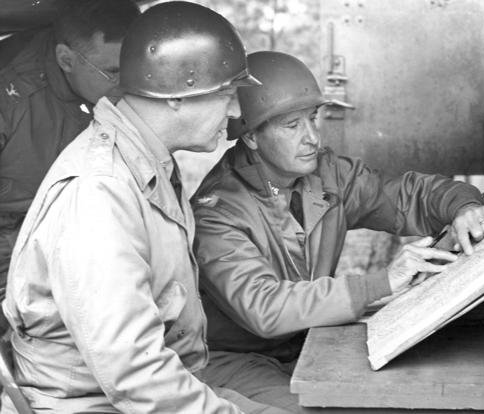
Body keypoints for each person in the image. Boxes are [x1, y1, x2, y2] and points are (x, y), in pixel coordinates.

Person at [1, 3, 288, 413]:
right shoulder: (101, 194)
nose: (237, 111)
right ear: (174, 96)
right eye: (226, 95)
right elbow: (135, 374)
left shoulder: (144, 161)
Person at [191, 51, 484, 411]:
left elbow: (402, 196)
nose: (312, 138)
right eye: (292, 126)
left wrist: (462, 205)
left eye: (312, 119)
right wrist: (380, 283)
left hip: (309, 340)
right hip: (235, 359)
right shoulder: (217, 211)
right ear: (252, 137)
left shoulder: (326, 174)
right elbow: (265, 308)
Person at [0, 0, 140, 306]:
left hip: (92, 218)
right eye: (113, 72)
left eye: (134, 69)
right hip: (12, 230)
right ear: (66, 59)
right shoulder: (9, 94)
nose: (127, 85)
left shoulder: (110, 78)